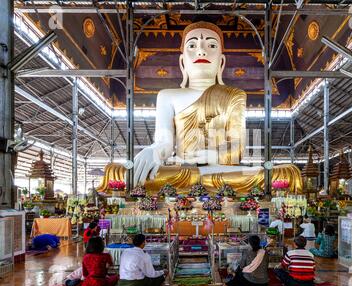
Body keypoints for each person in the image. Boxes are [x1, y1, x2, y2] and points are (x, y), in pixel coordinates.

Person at [96, 21, 303, 195]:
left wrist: (211, 156)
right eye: (192, 46)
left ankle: (196, 180)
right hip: (183, 170)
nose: (202, 50)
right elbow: (164, 142)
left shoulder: (235, 95)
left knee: (280, 172)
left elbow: (237, 147)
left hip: (221, 171)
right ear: (182, 62)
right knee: (120, 172)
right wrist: (154, 151)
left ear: (221, 62)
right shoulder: (167, 96)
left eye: (211, 45)